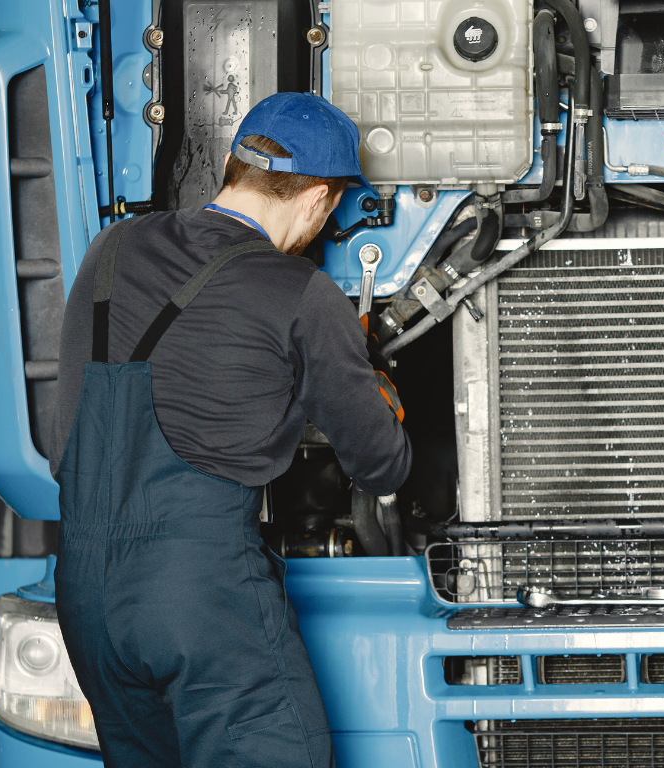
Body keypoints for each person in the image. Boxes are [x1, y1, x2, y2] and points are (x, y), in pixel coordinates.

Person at [47, 92, 411, 768]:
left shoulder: (109, 248)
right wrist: (371, 392)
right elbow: (381, 465)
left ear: (227, 164)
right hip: (198, 594)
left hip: (86, 593)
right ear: (321, 201)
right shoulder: (299, 292)